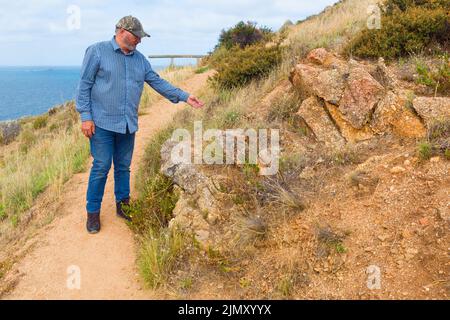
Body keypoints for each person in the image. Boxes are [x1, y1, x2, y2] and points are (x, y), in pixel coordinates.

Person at [76, 15, 204, 234]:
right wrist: (86, 117)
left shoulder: (140, 60)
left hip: (127, 125)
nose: (140, 41)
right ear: (122, 32)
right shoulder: (97, 51)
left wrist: (184, 96)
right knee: (101, 167)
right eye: (137, 36)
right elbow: (84, 86)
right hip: (102, 124)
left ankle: (123, 206)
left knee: (124, 167)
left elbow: (158, 82)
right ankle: (93, 213)